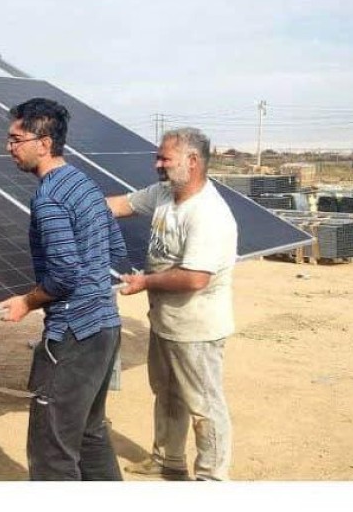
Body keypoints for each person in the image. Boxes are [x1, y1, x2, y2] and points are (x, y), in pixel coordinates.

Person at [0, 98, 128, 481]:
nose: (8, 147)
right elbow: (115, 248)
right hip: (105, 325)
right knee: (89, 433)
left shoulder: (49, 197)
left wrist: (27, 301)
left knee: (52, 452)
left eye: (16, 139)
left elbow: (64, 275)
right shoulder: (85, 184)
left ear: (44, 143)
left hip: (73, 333)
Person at [106, 127, 238, 481]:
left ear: (192, 161)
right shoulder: (165, 194)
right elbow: (121, 205)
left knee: (204, 406)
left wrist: (145, 282)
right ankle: (168, 460)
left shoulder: (208, 213)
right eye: (158, 158)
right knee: (167, 394)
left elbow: (195, 278)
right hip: (165, 320)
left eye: (165, 158)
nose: (157, 164)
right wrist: (75, 204)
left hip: (197, 328)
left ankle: (211, 478)